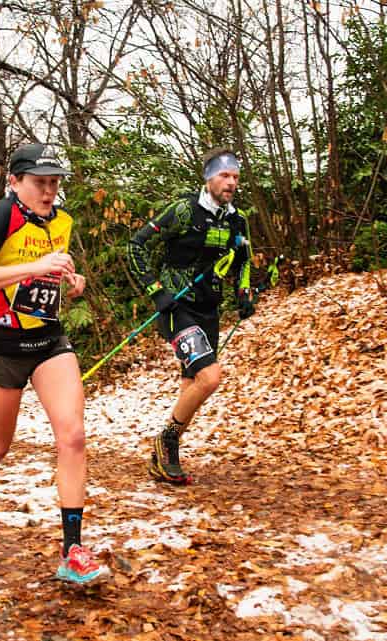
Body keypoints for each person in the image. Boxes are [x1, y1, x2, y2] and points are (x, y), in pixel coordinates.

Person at [0, 143, 110, 585]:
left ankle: (73, 550)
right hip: (1, 345)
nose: (48, 192)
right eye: (40, 183)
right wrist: (33, 267)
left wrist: (70, 282)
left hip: (47, 342)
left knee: (73, 436)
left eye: (55, 183)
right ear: (15, 182)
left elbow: (55, 276)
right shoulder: (2, 216)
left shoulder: (61, 221)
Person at [127, 147, 254, 484]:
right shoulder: (184, 210)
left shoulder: (236, 219)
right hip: (176, 307)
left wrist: (244, 293)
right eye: (224, 176)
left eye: (236, 177)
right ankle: (166, 441)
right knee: (210, 377)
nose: (230, 183)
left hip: (208, 308)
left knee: (193, 386)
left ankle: (162, 456)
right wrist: (156, 290)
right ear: (209, 177)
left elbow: (244, 259)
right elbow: (136, 245)